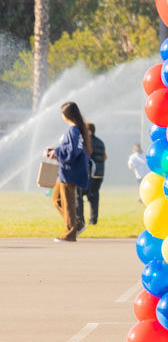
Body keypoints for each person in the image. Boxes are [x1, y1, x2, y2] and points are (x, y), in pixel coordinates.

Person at [46, 103, 92, 241]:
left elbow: (73, 152)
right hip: (65, 171)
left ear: (67, 115)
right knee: (56, 200)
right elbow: (70, 149)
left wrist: (57, 152)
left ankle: (70, 232)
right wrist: (55, 151)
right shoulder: (76, 130)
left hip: (69, 172)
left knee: (68, 203)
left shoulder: (73, 131)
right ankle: (76, 224)